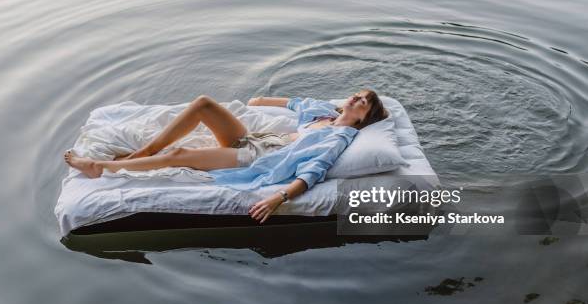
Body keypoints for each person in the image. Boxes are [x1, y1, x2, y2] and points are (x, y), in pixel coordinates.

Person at [64, 90, 388, 223]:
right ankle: (144, 152)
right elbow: (294, 104)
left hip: (256, 157)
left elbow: (315, 171)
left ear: (363, 118)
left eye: (363, 102)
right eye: (357, 95)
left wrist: (280, 197)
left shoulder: (340, 136)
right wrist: (260, 101)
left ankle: (101, 167)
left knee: (178, 154)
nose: (356, 98)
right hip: (255, 138)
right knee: (204, 104)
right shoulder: (323, 112)